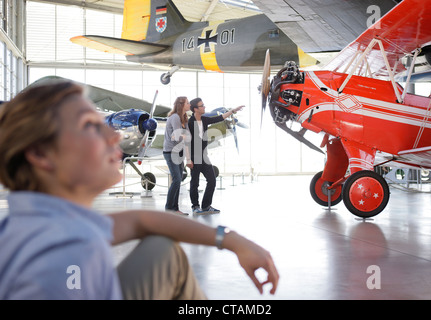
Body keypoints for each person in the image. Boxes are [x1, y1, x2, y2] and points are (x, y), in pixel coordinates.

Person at [0, 80, 278, 299]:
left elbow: (140, 220)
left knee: (163, 249)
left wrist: (230, 239)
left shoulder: (49, 223)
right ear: (40, 154)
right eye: (89, 126)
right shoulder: (57, 261)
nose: (113, 136)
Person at [187, 98, 244, 214]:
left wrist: (233, 111)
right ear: (195, 109)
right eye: (202, 106)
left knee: (212, 180)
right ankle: (195, 206)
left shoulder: (204, 119)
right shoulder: (190, 122)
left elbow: (220, 118)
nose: (204, 107)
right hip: (194, 156)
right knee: (195, 183)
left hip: (204, 155)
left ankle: (206, 206)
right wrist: (188, 159)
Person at [163, 96, 192, 215]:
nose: (189, 105)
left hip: (179, 152)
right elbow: (176, 137)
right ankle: (169, 208)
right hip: (171, 152)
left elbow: (186, 137)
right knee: (177, 179)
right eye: (188, 103)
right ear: (181, 105)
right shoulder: (175, 117)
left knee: (179, 180)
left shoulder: (184, 118)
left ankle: (175, 208)